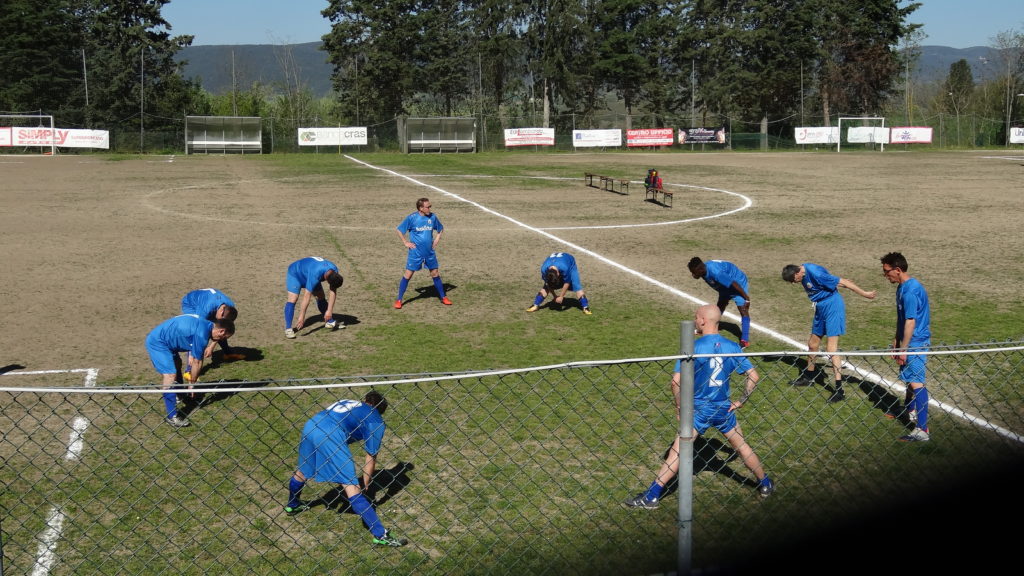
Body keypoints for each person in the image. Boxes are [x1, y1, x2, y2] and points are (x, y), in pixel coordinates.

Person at [623, 304, 773, 509]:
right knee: (741, 447)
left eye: (696, 317)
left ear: (703, 320)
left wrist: (679, 408)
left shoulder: (693, 348)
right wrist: (740, 401)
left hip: (699, 410)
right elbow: (753, 377)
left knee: (677, 451)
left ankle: (652, 496)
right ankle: (764, 483)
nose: (695, 320)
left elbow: (676, 382)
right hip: (723, 408)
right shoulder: (732, 347)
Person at [284, 391, 408, 547]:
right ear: (380, 410)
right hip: (330, 434)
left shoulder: (348, 402)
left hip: (311, 425)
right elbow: (370, 457)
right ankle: (380, 534)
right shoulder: (376, 420)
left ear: (366, 401)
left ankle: (293, 504)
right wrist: (366, 484)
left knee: (303, 470)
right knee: (352, 487)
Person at [782, 262, 877, 403]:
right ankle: (809, 376)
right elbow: (829, 282)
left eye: (793, 280)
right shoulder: (804, 274)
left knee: (831, 349)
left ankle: (839, 390)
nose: (794, 283)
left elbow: (840, 281)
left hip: (833, 306)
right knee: (813, 344)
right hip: (820, 307)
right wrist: (842, 283)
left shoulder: (814, 273)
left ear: (797, 273)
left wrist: (865, 294)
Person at [145, 314, 235, 427]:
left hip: (167, 341)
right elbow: (197, 362)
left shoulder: (206, 326)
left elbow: (198, 357)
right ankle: (171, 416)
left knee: (177, 364)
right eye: (225, 337)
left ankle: (179, 394)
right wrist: (192, 383)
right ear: (221, 331)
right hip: (158, 343)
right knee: (170, 375)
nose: (222, 340)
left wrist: (192, 383)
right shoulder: (202, 334)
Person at [881, 252, 932, 442]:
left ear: (898, 270)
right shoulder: (902, 287)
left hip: (916, 342)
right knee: (909, 377)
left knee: (916, 382)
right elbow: (901, 318)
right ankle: (909, 410)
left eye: (887, 272)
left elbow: (910, 321)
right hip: (908, 340)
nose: (885, 276)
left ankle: (922, 430)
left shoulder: (910, 291)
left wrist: (904, 349)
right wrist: (896, 339)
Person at [394, 197, 451, 309]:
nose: (430, 208)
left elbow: (440, 229)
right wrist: (405, 242)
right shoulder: (412, 218)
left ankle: (443, 297)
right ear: (420, 208)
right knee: (408, 275)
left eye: (430, 206)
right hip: (415, 252)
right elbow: (399, 230)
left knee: (435, 273)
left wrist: (437, 239)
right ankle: (399, 300)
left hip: (429, 252)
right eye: (428, 206)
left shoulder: (433, 217)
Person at [687, 257, 752, 348]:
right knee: (720, 306)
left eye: (694, 272)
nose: (693, 275)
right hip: (724, 285)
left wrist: (746, 298)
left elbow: (733, 283)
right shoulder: (703, 270)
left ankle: (745, 340)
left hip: (737, 282)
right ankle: (709, 327)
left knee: (743, 309)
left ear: (700, 269)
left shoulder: (715, 272)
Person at [284, 257, 344, 339]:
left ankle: (329, 321)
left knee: (320, 296)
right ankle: (288, 329)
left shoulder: (334, 271)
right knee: (293, 299)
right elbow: (306, 296)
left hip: (309, 273)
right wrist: (302, 316)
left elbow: (333, 291)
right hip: (296, 273)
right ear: (326, 279)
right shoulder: (316, 274)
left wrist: (329, 311)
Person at [180, 288, 242, 361]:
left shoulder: (230, 308)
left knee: (222, 330)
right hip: (191, 303)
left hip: (209, 302)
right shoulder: (205, 310)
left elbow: (223, 329)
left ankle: (228, 354)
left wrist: (211, 347)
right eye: (221, 320)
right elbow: (196, 331)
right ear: (221, 311)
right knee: (198, 332)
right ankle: (189, 367)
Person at [526, 251, 592, 315]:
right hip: (558, 262)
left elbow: (567, 282)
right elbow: (547, 284)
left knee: (576, 285)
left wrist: (561, 296)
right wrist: (554, 296)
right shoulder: (544, 269)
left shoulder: (565, 267)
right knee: (546, 288)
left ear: (558, 273)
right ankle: (535, 305)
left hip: (570, 262)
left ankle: (585, 307)